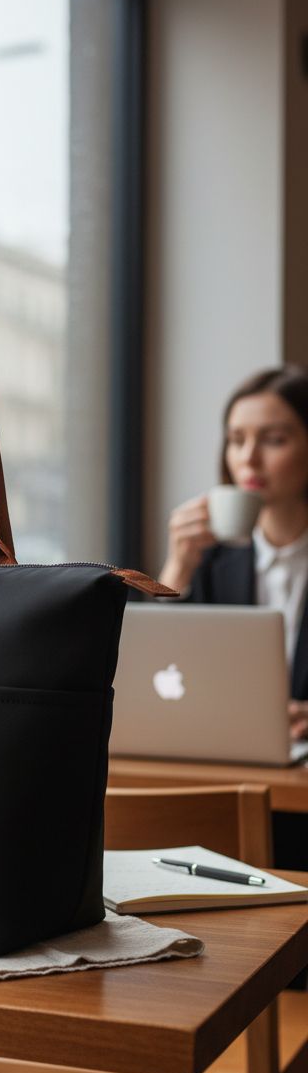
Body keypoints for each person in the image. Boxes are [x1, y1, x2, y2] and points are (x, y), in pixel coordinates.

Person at [159, 362, 308, 861]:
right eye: (236, 440)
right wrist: (178, 566)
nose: (249, 458)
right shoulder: (214, 560)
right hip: (230, 775)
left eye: (274, 439)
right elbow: (162, 673)